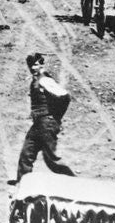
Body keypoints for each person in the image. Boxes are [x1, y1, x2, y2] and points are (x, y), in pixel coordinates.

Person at [11, 53, 75, 184]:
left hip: (46, 123)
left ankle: (75, 183)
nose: (32, 68)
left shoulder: (45, 80)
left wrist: (55, 117)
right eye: (30, 65)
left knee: (52, 160)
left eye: (35, 64)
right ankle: (22, 184)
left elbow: (65, 96)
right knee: (26, 154)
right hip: (38, 124)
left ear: (41, 64)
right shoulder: (36, 81)